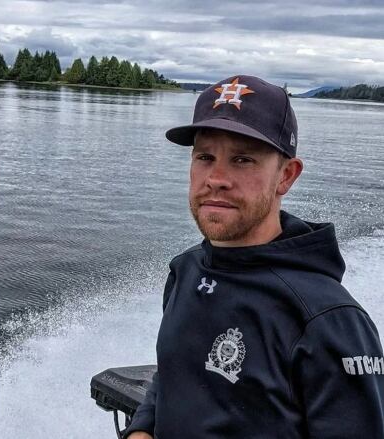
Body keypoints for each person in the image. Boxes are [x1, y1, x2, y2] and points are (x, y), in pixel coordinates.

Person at [125, 75, 384, 438]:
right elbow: (171, 376)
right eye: (204, 156)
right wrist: (141, 430)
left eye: (242, 159)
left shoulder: (327, 321)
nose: (216, 178)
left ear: (286, 176)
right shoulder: (186, 271)